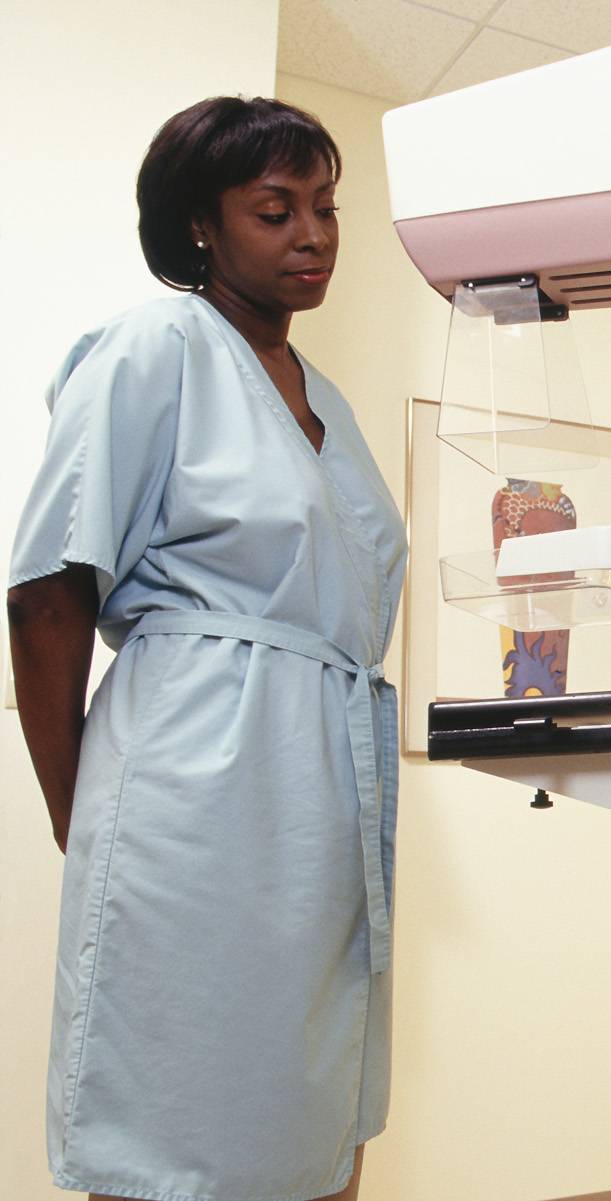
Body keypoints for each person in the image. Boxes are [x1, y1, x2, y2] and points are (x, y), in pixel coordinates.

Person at [5, 96, 406, 1201]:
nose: (314, 234)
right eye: (275, 210)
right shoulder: (156, 347)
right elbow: (47, 593)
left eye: (326, 208)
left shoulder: (328, 403)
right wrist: (78, 809)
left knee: (314, 1104)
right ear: (199, 226)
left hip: (321, 798)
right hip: (196, 783)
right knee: (181, 1110)